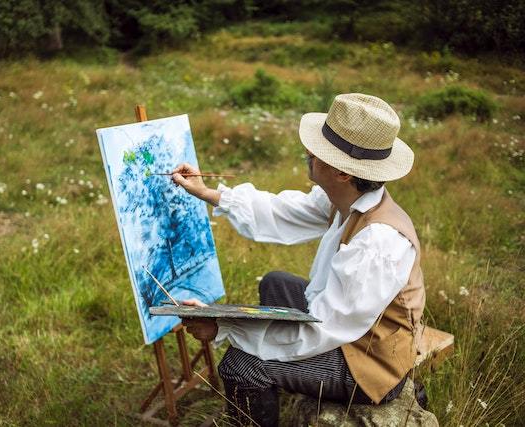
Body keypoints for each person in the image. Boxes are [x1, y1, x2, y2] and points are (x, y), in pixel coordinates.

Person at [171, 93, 426, 427]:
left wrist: (223, 327)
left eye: (319, 150)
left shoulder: (378, 243)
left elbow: (324, 329)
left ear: (342, 173)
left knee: (241, 364)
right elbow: (286, 211)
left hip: (368, 362)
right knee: (276, 282)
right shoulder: (347, 199)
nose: (309, 152)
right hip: (348, 331)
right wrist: (209, 193)